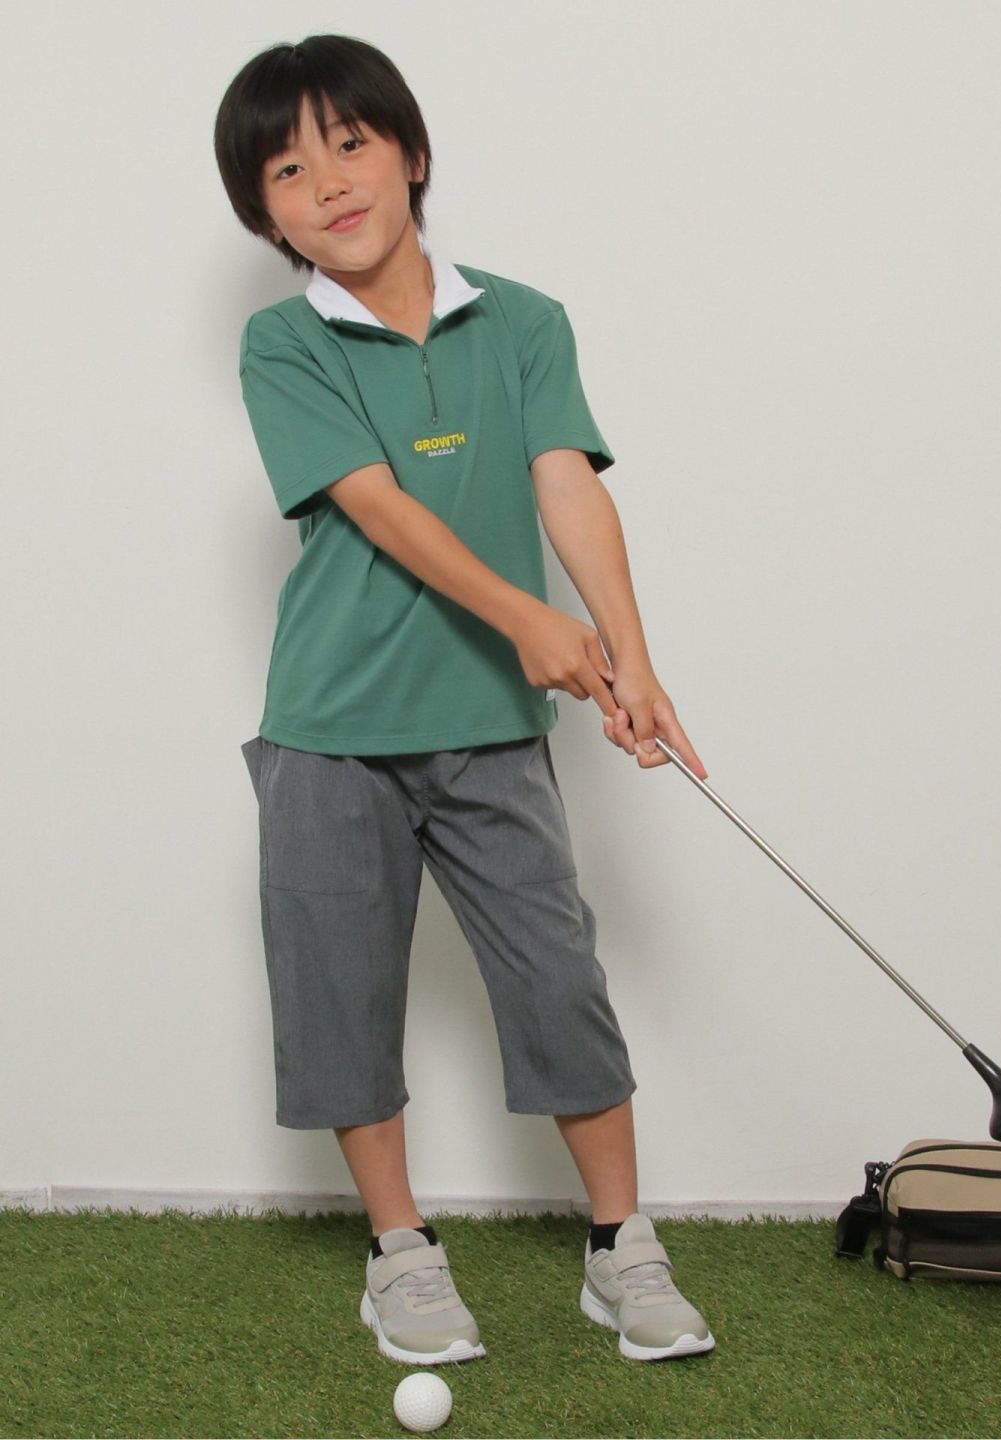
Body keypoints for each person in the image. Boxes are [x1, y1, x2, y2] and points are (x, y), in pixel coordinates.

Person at [214, 33, 715, 1366]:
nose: (329, 182)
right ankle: (402, 1253)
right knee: (342, 995)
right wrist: (527, 617)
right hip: (331, 731)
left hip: (491, 730)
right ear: (264, 213)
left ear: (413, 154)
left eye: (351, 144)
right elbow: (374, 505)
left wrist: (630, 657)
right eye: (288, 168)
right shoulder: (282, 343)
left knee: (559, 978)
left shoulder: (527, 321)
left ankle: (622, 1248)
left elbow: (568, 484)